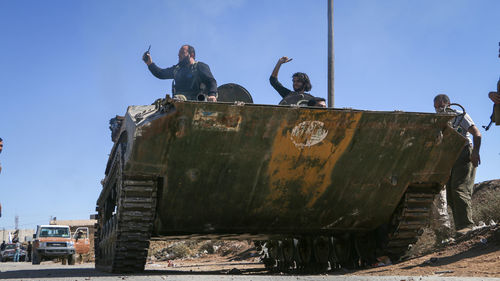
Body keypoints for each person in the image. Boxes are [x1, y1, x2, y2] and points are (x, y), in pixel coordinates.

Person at [433, 94, 481, 237]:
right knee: (451, 195)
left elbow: (477, 134)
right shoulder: (439, 122)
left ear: (448, 104)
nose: (439, 110)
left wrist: (475, 153)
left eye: (441, 106)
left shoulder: (459, 115)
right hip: (450, 157)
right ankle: (461, 229)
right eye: (436, 108)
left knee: (459, 189)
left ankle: (466, 227)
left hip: (464, 152)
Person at [143, 44, 218, 102]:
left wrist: (212, 95)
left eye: (182, 53)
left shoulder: (200, 66)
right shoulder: (177, 69)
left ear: (191, 55)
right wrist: (149, 63)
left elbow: (211, 81)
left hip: (197, 100)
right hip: (179, 101)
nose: (179, 55)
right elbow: (161, 73)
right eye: (179, 53)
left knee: (179, 98)